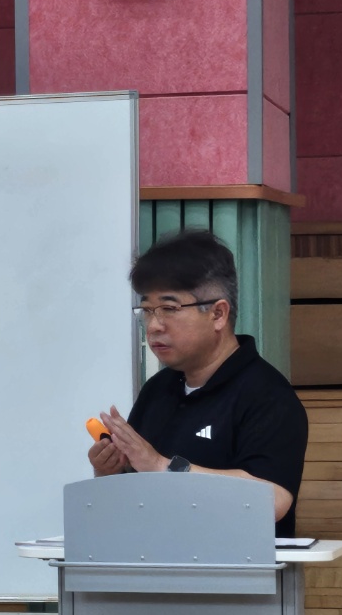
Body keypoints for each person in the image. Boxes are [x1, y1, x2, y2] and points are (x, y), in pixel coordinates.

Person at [88, 228, 308, 537]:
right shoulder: (157, 390)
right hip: (153, 557)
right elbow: (136, 497)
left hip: (235, 564)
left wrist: (163, 467)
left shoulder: (268, 395)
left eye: (169, 309)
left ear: (218, 314)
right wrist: (109, 472)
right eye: (147, 311)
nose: (154, 326)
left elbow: (272, 501)